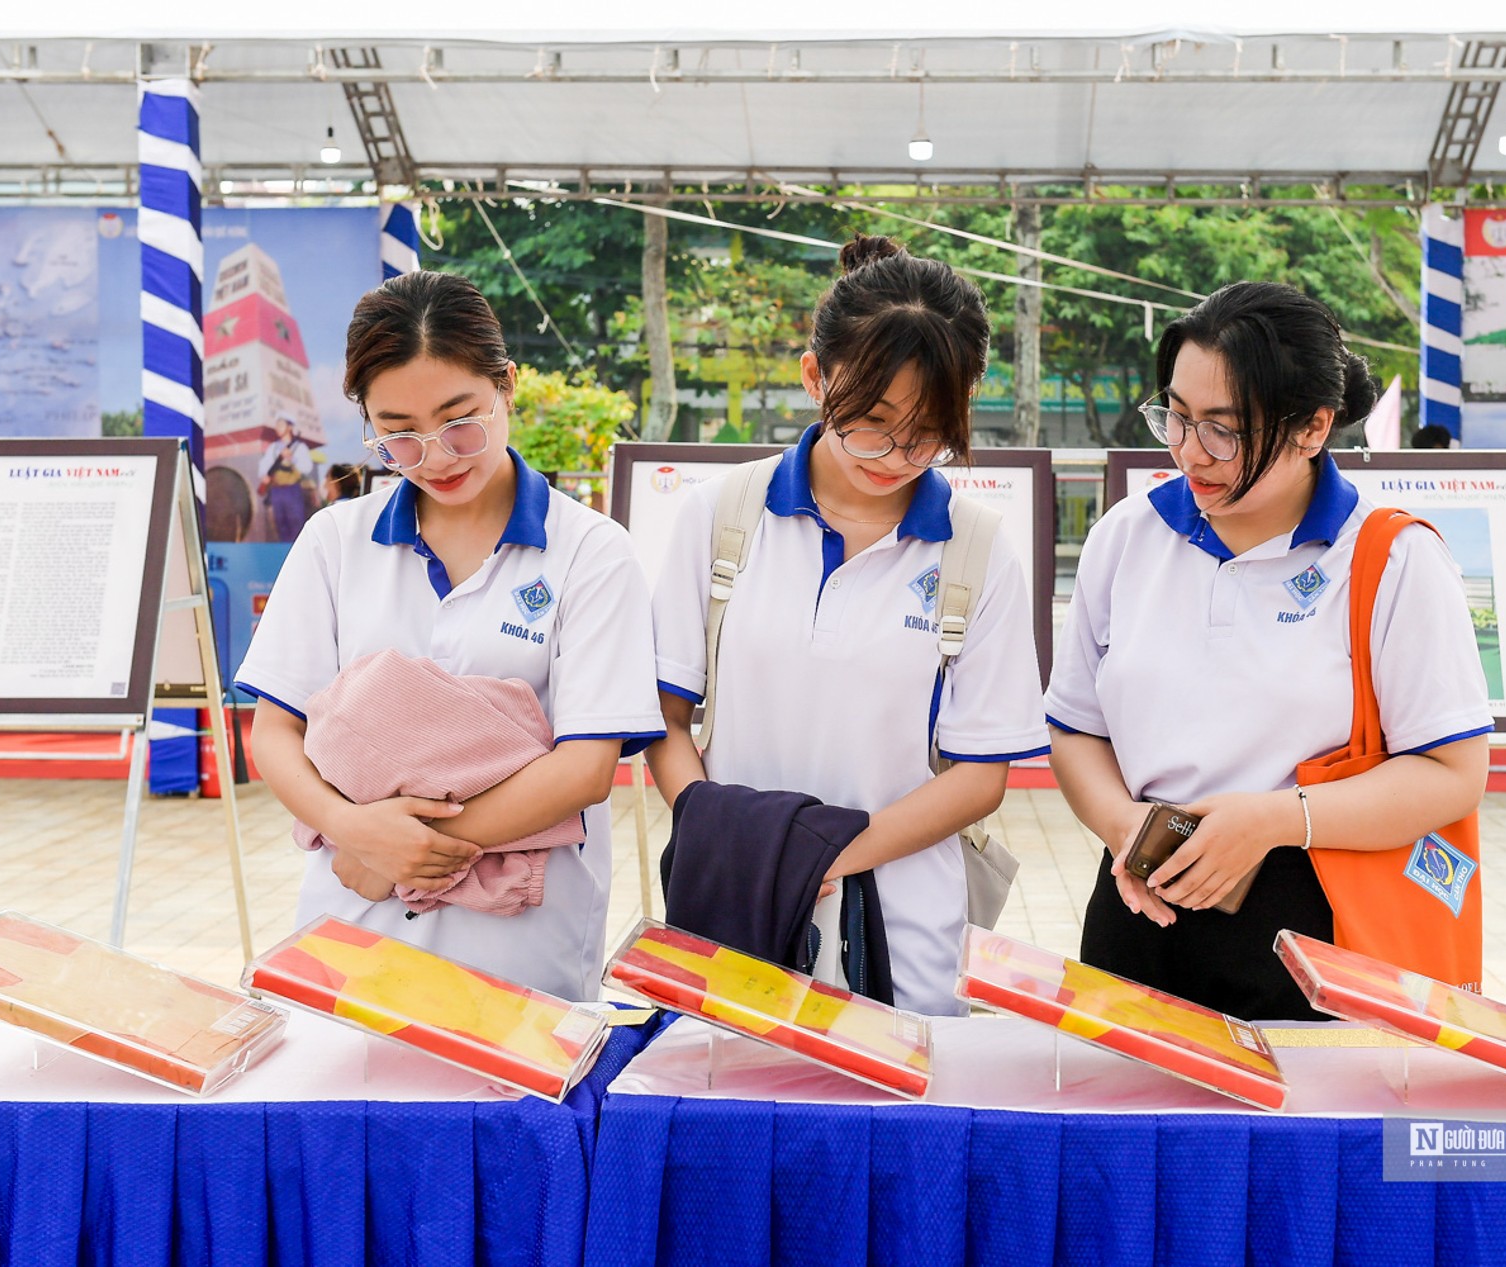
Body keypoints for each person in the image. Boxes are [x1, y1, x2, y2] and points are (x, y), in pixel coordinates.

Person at [1045, 282, 1493, 1021]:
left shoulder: (1391, 559)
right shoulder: (1128, 537)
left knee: (1307, 1133)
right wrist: (1123, 828)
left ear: (1313, 427)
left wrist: (1271, 821)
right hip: (1141, 903)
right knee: (1127, 1130)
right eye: (1178, 418)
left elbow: (1451, 774)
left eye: (1223, 429)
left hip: (1315, 920)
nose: (1192, 452)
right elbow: (1076, 728)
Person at [646, 234, 1049, 1016]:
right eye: (868, 420)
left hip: (904, 934)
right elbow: (663, 720)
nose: (894, 454)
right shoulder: (722, 517)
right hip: (733, 910)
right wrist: (727, 843)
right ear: (812, 377)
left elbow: (979, 776)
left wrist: (819, 860)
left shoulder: (978, 549)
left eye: (928, 432)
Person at [234, 271, 664, 999]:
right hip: (353, 918)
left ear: (508, 386)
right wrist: (355, 830)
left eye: (460, 422)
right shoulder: (336, 539)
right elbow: (274, 730)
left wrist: (409, 850)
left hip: (518, 945)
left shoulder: (590, 550)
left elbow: (586, 767)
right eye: (398, 436)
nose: (436, 457)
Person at [257, 416, 313, 542]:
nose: (278, 428)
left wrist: (292, 458)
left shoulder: (299, 447)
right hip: (277, 491)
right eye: (277, 425)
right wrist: (265, 476)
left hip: (292, 490)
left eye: (281, 424)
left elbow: (306, 468)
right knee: (280, 525)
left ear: (290, 427)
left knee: (296, 526)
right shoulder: (273, 448)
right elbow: (264, 466)